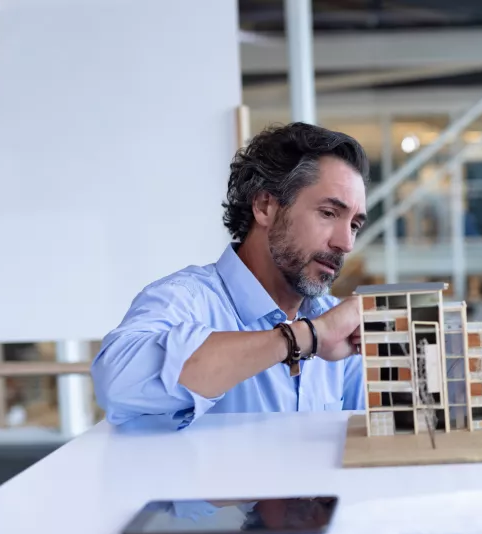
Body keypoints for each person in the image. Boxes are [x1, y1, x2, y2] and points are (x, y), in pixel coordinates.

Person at [91, 123, 370, 428]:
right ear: (266, 206)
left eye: (354, 225)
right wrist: (307, 337)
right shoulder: (184, 300)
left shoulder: (335, 325)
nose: (346, 243)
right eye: (328, 213)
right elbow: (116, 384)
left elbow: (385, 430)